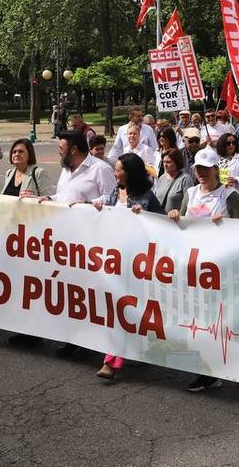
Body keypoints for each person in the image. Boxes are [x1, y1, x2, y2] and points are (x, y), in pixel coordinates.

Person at [169, 147, 239, 392]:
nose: (202, 173)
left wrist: (227, 225)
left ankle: (216, 369)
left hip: (220, 271)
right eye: (198, 169)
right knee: (197, 320)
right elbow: (180, 219)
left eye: (206, 168)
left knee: (218, 321)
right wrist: (173, 215)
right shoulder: (191, 193)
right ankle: (207, 370)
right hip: (194, 270)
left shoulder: (229, 195)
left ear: (216, 170)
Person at [96, 153, 164, 379]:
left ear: (130, 172)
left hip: (136, 263)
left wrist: (145, 216)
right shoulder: (116, 191)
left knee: (124, 308)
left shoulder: (146, 196)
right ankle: (131, 350)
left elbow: (162, 223)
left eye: (119, 170)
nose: (115, 173)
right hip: (114, 259)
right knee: (118, 308)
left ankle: (111, 361)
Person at [48, 130, 117, 206]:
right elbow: (63, 195)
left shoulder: (101, 168)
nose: (59, 152)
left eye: (61, 148)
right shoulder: (66, 169)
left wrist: (87, 204)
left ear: (73, 150)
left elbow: (112, 197)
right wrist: (50, 199)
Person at [153, 148, 194, 213]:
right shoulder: (161, 178)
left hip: (175, 221)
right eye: (164, 162)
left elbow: (189, 203)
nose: (165, 165)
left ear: (177, 162)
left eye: (168, 162)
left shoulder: (185, 179)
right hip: (160, 220)